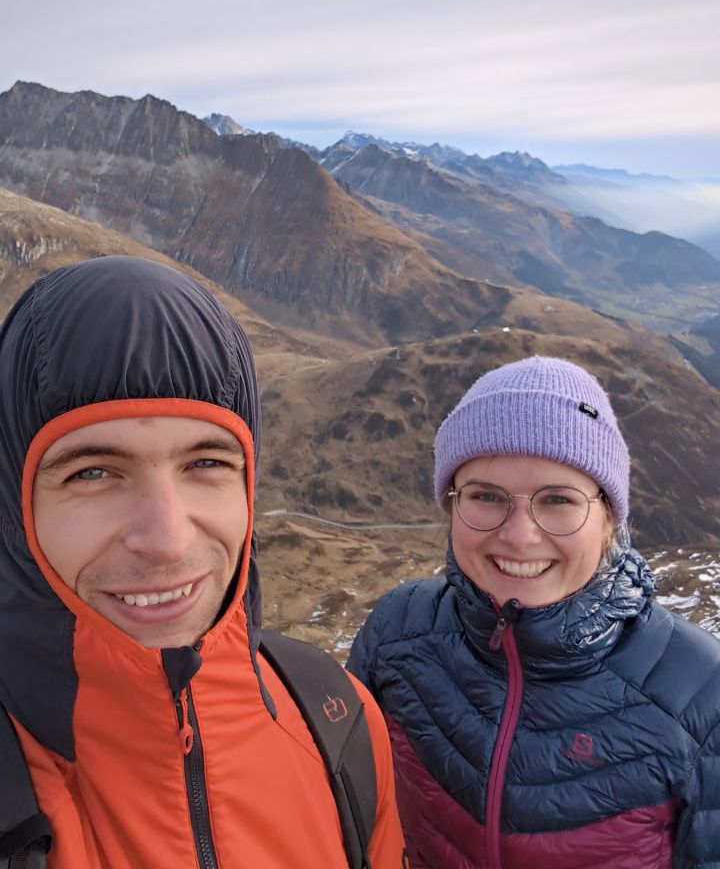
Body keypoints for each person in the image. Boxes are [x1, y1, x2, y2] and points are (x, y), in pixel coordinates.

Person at [0, 256, 404, 868]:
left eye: (206, 463)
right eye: (92, 472)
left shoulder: (340, 722)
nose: (167, 539)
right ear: (13, 504)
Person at [348, 355, 720, 869]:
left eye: (558, 500)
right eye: (486, 496)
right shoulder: (395, 634)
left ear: (609, 519)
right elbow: (348, 814)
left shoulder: (702, 697)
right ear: (451, 505)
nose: (520, 535)